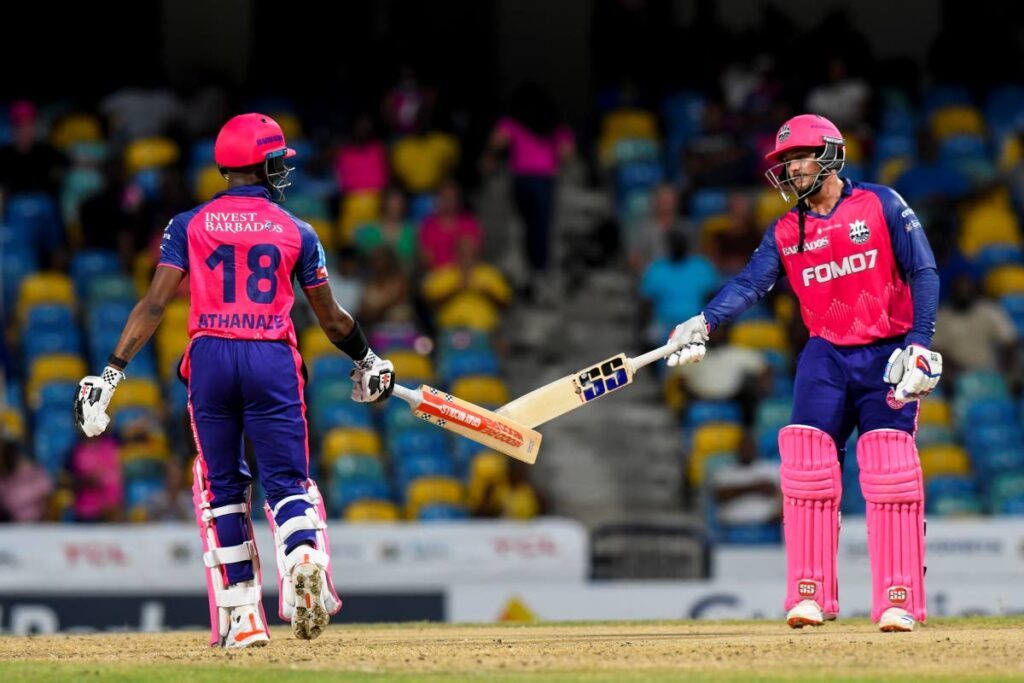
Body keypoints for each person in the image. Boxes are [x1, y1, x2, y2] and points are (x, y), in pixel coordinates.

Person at [72, 113, 397, 649]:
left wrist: (109, 375)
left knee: (223, 489)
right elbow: (332, 319)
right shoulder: (299, 231)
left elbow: (154, 305)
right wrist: (367, 359)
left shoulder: (188, 224)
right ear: (264, 164)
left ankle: (243, 616)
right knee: (288, 483)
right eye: (279, 161)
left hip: (211, 359)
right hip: (271, 357)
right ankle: (303, 560)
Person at [666, 114, 943, 633]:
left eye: (799, 157)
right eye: (785, 161)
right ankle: (810, 594)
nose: (791, 169)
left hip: (886, 352)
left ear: (831, 155)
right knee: (808, 467)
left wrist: (920, 343)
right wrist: (703, 321)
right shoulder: (786, 229)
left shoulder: (881, 203)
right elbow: (750, 284)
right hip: (826, 356)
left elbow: (923, 270)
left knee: (890, 471)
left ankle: (898, 598)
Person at [482, 84, 575, 294]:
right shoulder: (552, 126)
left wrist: (491, 157)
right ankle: (535, 270)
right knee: (537, 228)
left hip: (527, 181)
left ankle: (535, 271)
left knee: (530, 227)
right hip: (539, 181)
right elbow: (567, 153)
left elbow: (497, 142)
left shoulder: (517, 123)